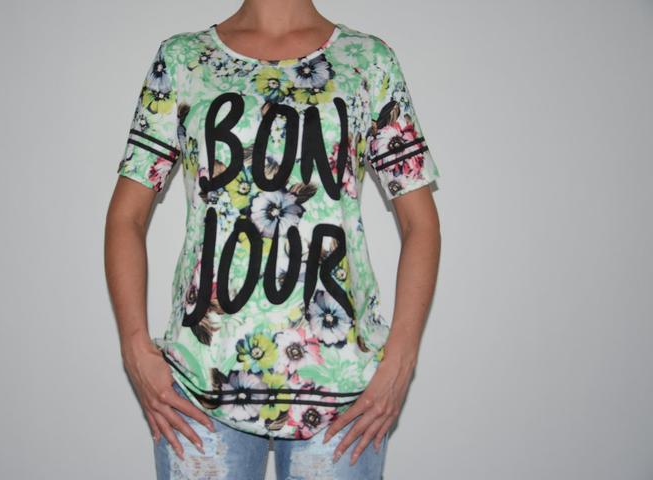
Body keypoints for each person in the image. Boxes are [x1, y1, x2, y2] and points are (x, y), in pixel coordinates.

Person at [104, 1, 441, 478]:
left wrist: (401, 359)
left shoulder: (368, 61)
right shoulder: (182, 60)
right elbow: (127, 216)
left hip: (342, 389)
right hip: (201, 381)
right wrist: (136, 348)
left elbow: (420, 224)